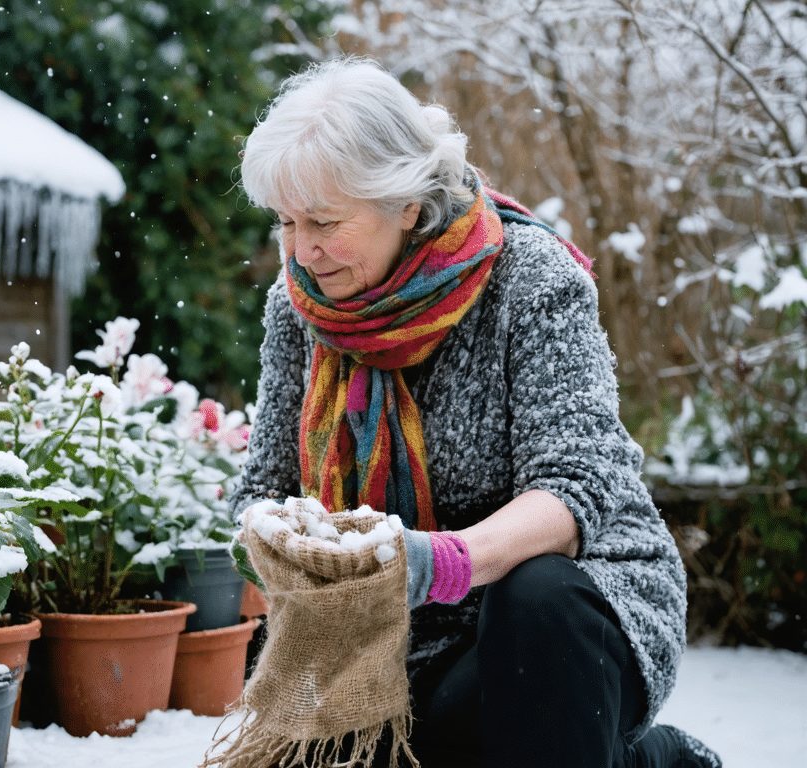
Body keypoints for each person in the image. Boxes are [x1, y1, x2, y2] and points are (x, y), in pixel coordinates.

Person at [229, 58, 721, 768]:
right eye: (286, 222)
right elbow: (263, 487)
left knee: (535, 601)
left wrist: (437, 563)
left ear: (406, 202)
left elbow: (575, 489)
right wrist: (277, 537)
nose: (301, 250)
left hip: (575, 605)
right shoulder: (297, 307)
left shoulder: (531, 277)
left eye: (325, 222)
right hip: (393, 632)